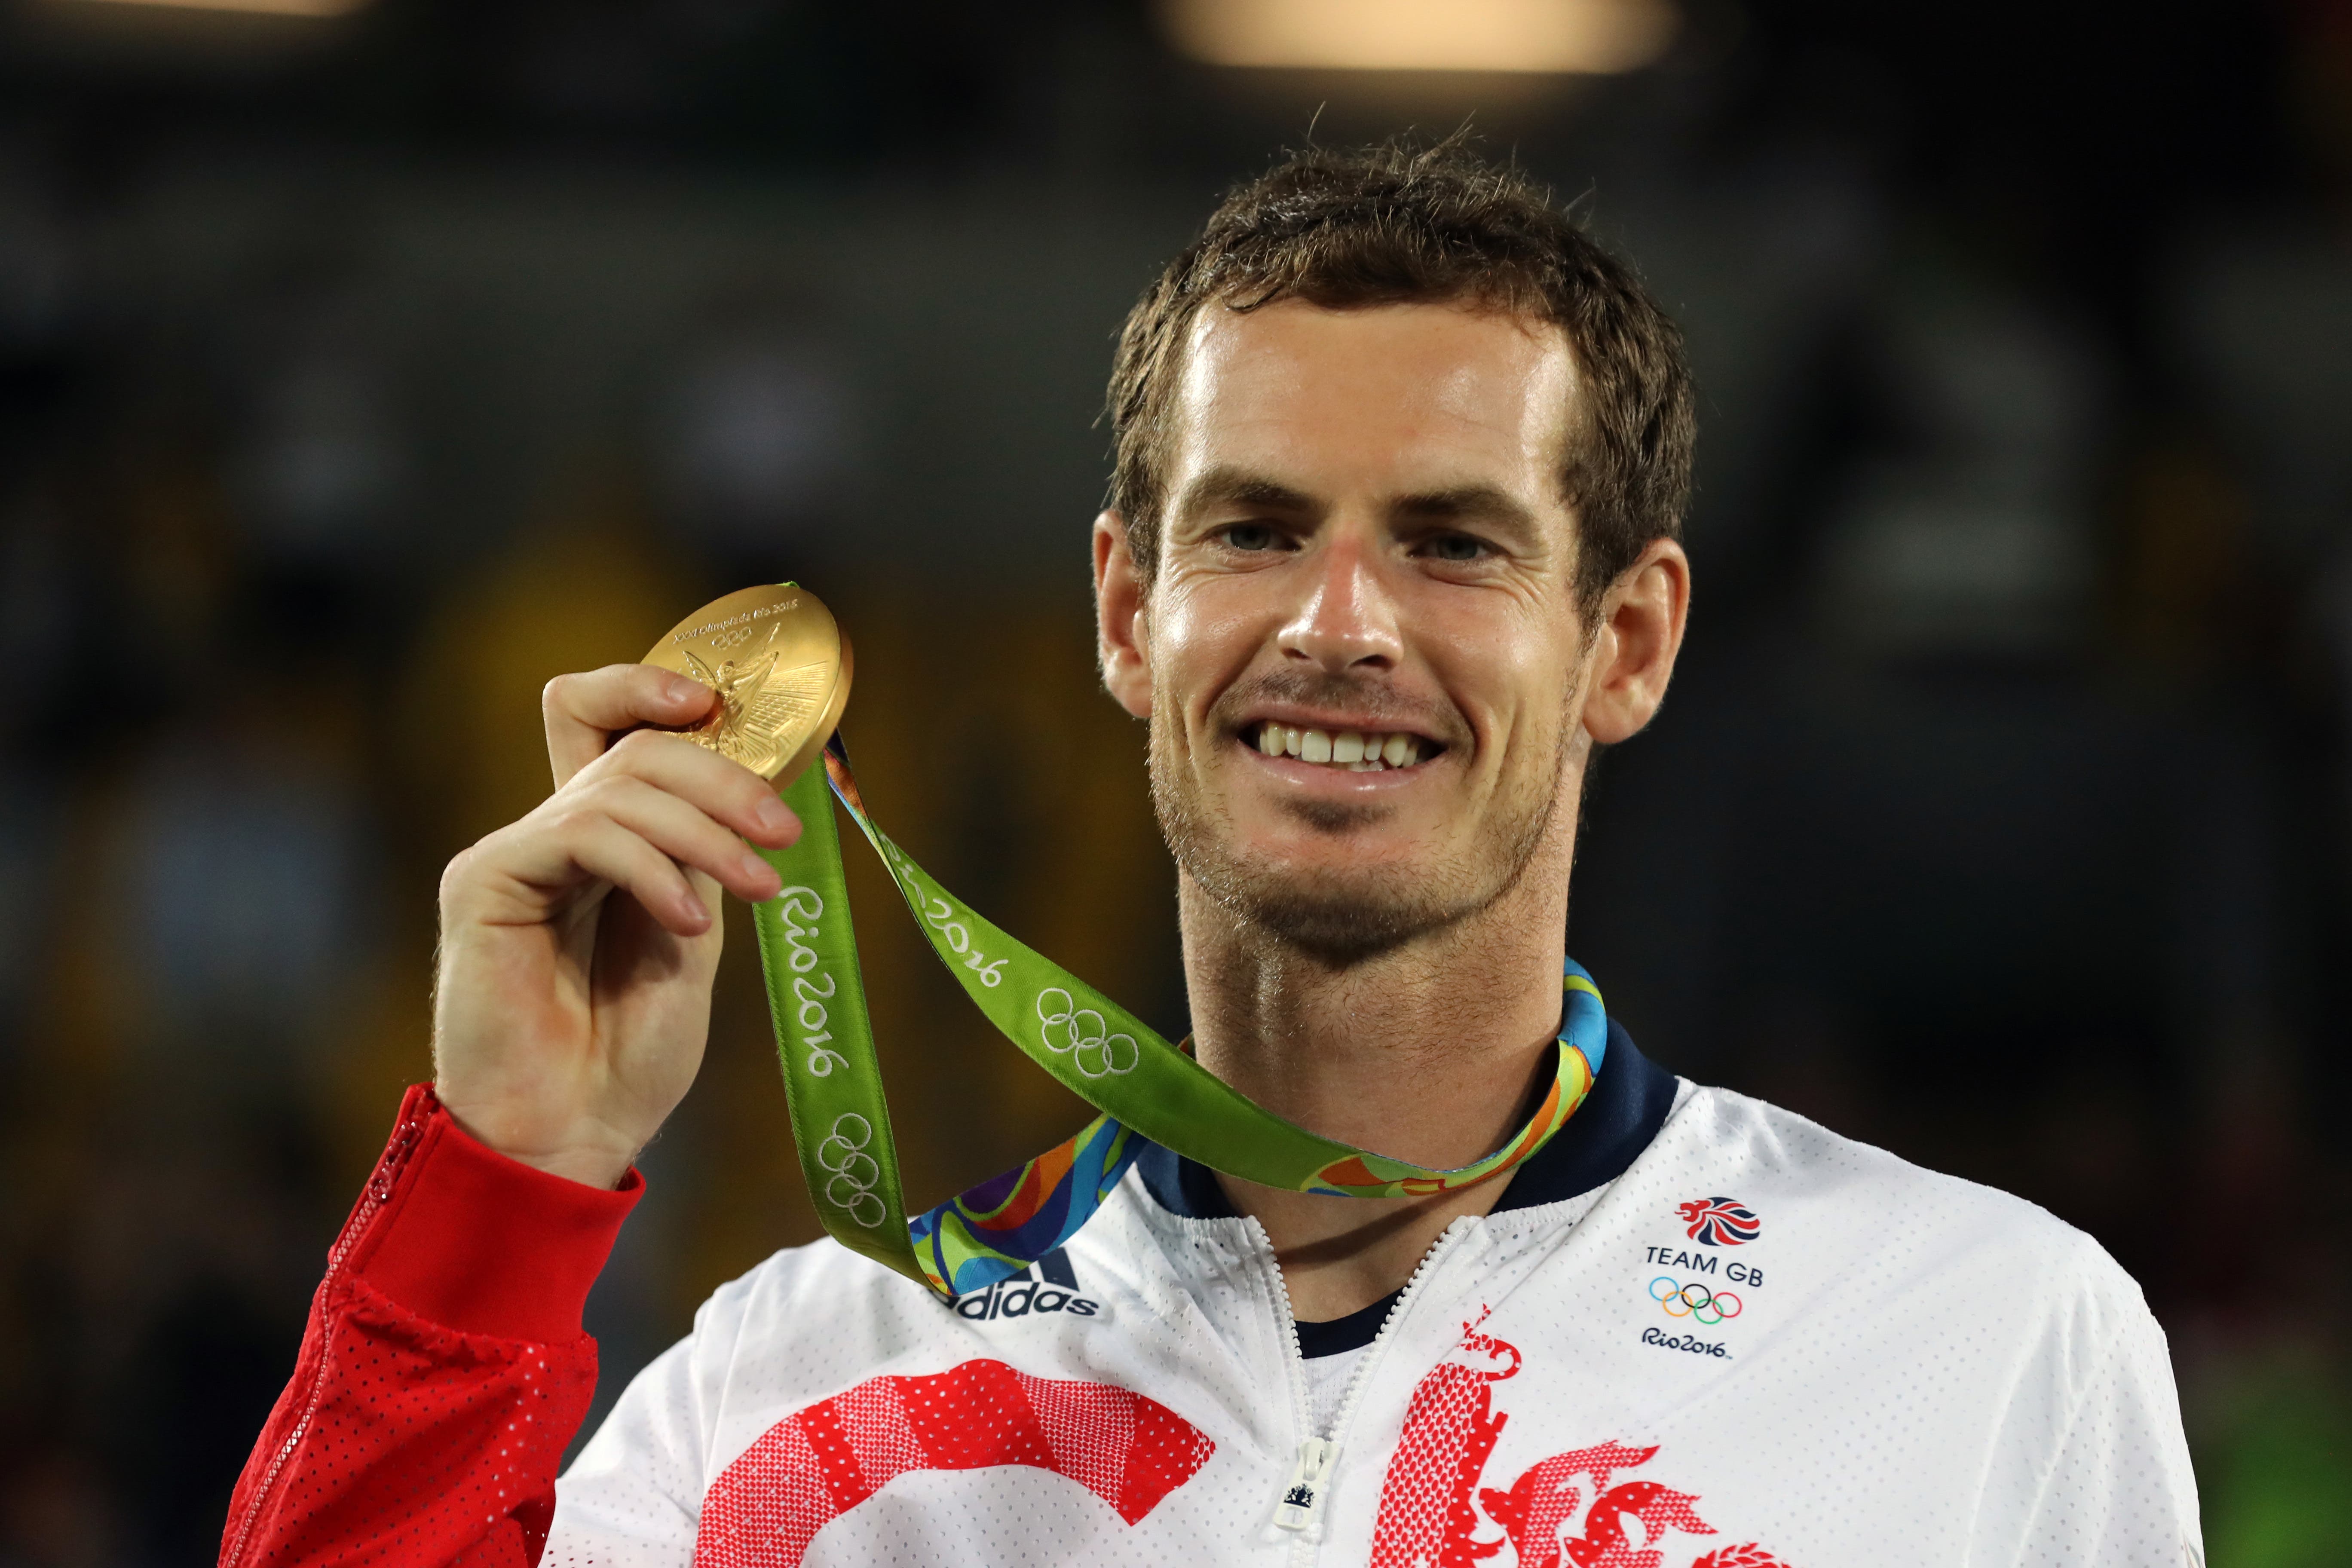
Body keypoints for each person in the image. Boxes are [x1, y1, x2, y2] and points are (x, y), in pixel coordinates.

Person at [220, 141, 2201, 1568]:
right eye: (1253, 530)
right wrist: (507, 1191)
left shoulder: (1980, 1339)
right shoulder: (797, 1401)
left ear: (1630, 640)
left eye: (1452, 540)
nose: (1338, 621)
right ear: (1123, 614)